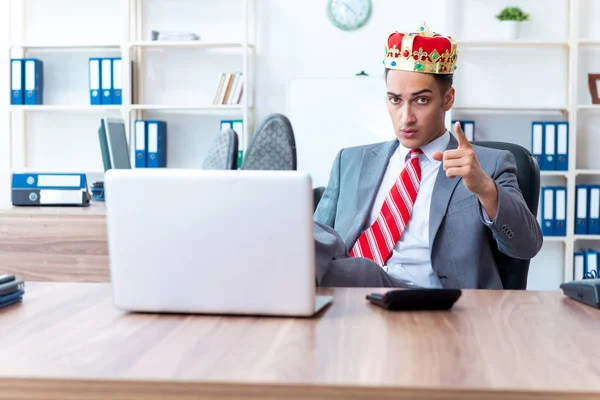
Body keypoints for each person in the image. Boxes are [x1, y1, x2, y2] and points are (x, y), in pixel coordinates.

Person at [313, 23, 543, 289]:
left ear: (447, 99)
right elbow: (314, 245)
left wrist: (486, 190)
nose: (406, 117)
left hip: (437, 306)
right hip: (353, 305)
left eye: (421, 100)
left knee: (364, 270)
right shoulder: (350, 161)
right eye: (395, 100)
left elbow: (526, 246)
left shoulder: (489, 165)